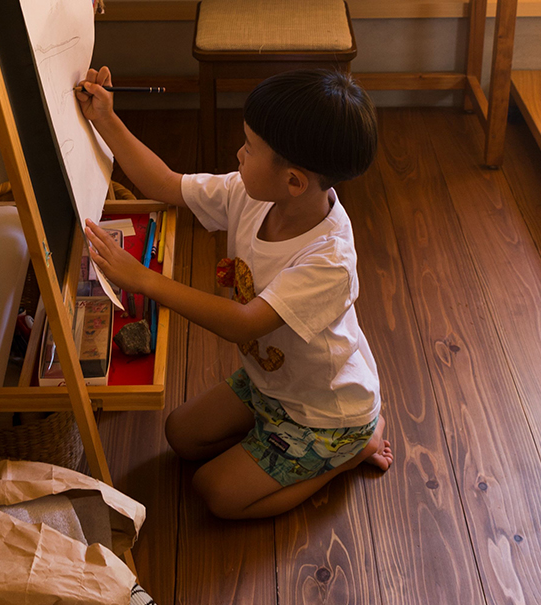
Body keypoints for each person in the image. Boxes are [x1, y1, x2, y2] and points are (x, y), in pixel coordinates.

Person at [77, 65, 392, 519]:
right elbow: (165, 183)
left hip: (326, 413)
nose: (238, 154)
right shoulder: (253, 193)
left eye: (250, 147)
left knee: (217, 493)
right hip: (274, 383)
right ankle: (313, 444)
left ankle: (352, 451)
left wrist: (144, 279)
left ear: (294, 181)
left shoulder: (330, 259)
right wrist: (104, 117)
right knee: (181, 436)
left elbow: (245, 323)